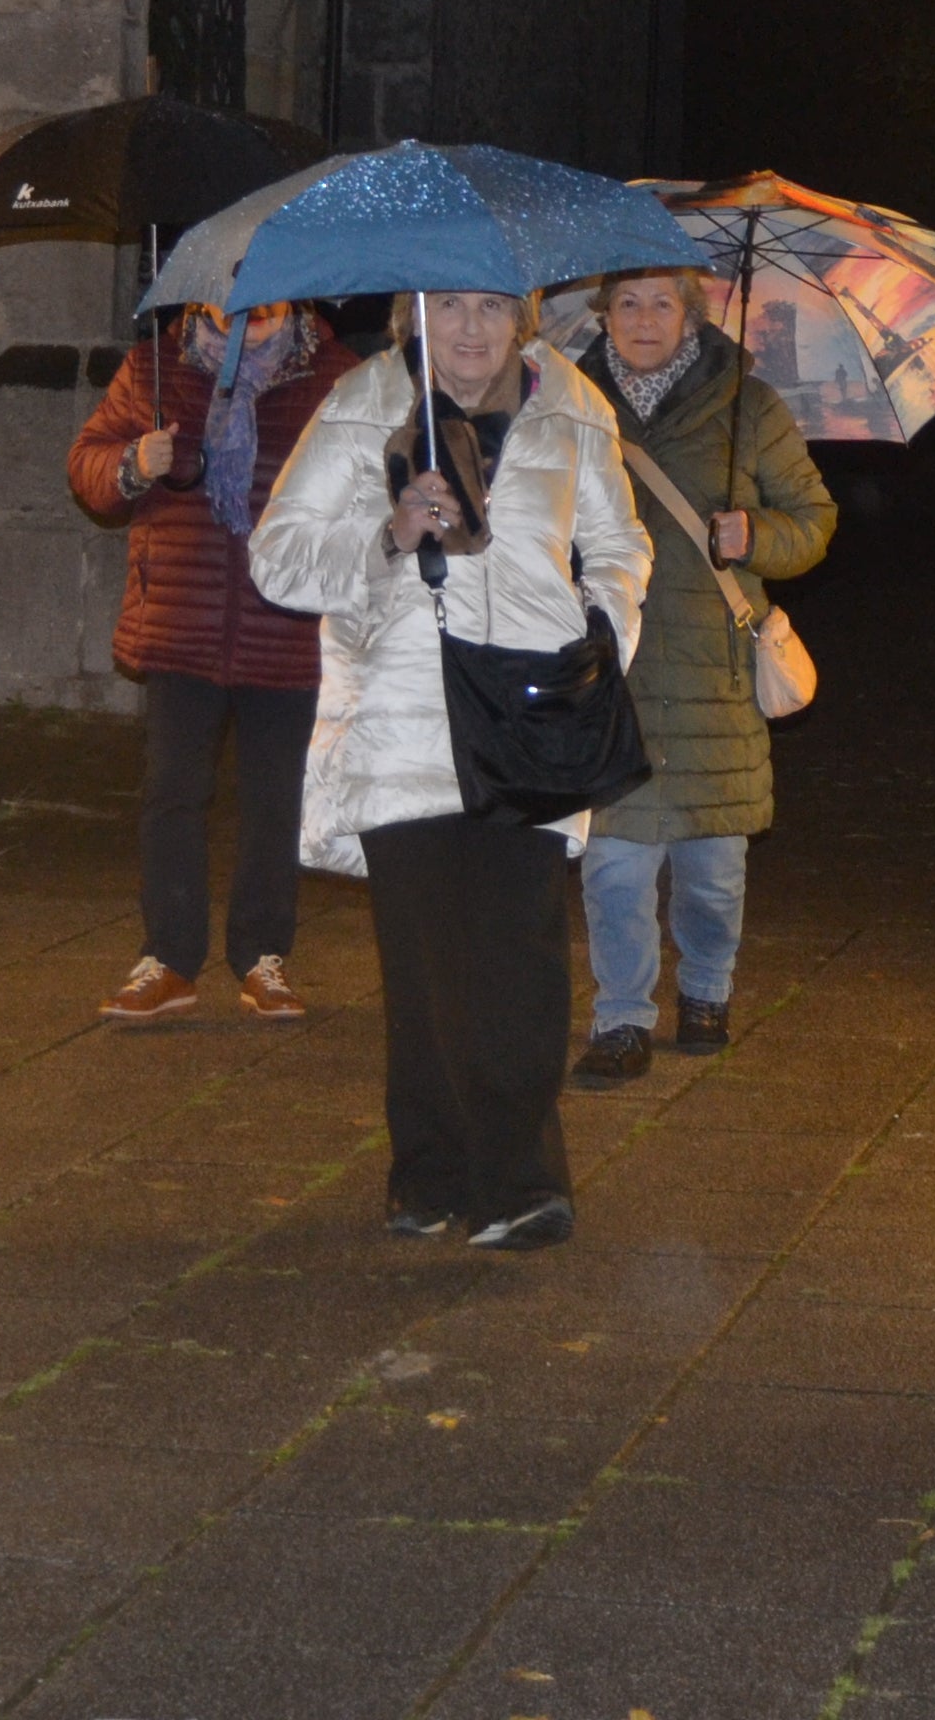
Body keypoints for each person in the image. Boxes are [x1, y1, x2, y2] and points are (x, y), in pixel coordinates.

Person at [253, 286, 650, 1250]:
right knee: (426, 963)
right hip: (404, 718)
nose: (469, 329)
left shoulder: (573, 407)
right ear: (413, 318)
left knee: (521, 961)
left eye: (489, 308)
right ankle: (427, 1174)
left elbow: (621, 545)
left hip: (532, 713)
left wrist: (597, 638)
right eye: (448, 309)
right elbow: (279, 558)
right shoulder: (359, 405)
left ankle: (522, 1184)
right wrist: (391, 535)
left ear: (524, 318)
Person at [570, 266, 836, 1085]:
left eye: (662, 303)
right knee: (614, 865)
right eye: (627, 303)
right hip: (609, 671)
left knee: (711, 871)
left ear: (691, 316)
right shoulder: (568, 409)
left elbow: (814, 521)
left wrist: (754, 534)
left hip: (714, 678)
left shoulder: (748, 410)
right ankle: (620, 1016)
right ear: (604, 315)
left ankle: (708, 989)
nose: (644, 319)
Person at [66, 296, 357, 1027]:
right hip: (180, 617)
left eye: (263, 297)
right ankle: (168, 956)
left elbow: (370, 484)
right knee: (171, 791)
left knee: (275, 798)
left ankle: (263, 955)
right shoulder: (157, 369)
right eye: (226, 297)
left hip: (286, 620)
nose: (243, 311)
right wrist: (135, 464)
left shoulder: (335, 375)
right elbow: (88, 466)